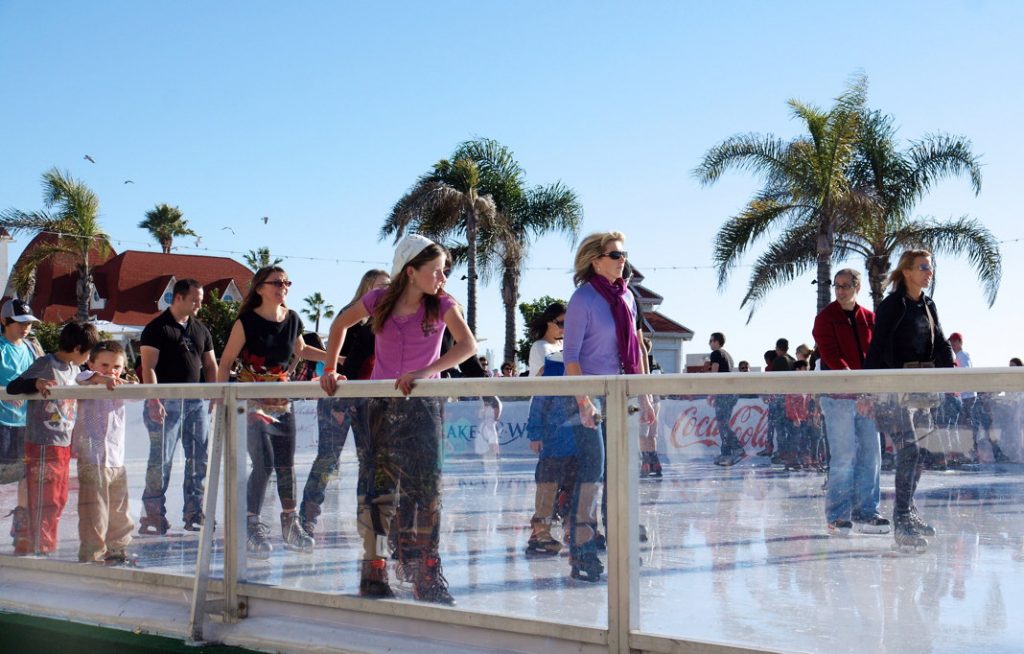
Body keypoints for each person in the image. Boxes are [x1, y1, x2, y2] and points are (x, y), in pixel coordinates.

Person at [321, 234, 475, 604]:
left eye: (444, 271)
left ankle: (425, 570)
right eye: (436, 271)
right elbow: (340, 324)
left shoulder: (443, 305)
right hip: (380, 407)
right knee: (377, 489)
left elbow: (466, 346)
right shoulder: (378, 301)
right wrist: (330, 369)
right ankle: (374, 567)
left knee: (427, 489)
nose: (442, 278)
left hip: (423, 408)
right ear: (411, 271)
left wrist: (427, 370)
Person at [217, 266, 333, 559]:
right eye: (277, 282)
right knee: (264, 463)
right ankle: (250, 523)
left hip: (281, 400)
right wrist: (222, 397)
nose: (283, 287)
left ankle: (290, 522)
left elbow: (303, 350)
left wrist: (337, 359)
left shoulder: (292, 318)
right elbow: (226, 361)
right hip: (250, 398)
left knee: (285, 464)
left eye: (287, 282)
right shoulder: (246, 322)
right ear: (260, 288)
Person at [562, 231, 654, 582]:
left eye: (623, 254)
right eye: (615, 255)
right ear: (595, 261)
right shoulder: (583, 299)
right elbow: (571, 357)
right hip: (592, 395)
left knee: (621, 476)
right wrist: (584, 400)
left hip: (624, 394)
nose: (622, 260)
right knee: (593, 474)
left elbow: (638, 351)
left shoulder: (628, 297)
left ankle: (621, 548)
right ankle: (582, 550)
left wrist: (645, 395)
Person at [865, 249, 954, 550]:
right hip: (894, 389)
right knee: (909, 451)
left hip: (923, 388)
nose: (929, 272)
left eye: (930, 267)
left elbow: (940, 341)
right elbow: (876, 348)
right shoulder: (891, 305)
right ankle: (901, 517)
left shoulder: (928, 304)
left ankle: (910, 509)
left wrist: (951, 370)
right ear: (906, 272)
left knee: (921, 454)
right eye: (923, 267)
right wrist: (872, 388)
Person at [299, 269, 390, 538]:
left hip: (369, 400)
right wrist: (338, 396)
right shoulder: (350, 315)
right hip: (338, 396)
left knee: (370, 459)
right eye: (381, 286)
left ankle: (369, 517)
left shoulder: (386, 320)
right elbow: (344, 359)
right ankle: (308, 517)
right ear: (367, 286)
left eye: (389, 286)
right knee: (328, 459)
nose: (385, 291)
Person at [6, 321, 99, 555]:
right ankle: (40, 546)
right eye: (87, 353)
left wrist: (103, 379)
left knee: (58, 497)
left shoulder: (73, 369)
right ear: (78, 349)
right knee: (44, 498)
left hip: (63, 443)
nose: (87, 358)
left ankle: (44, 544)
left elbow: (85, 378)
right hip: (42, 443)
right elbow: (14, 386)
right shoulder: (46, 363)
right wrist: (36, 383)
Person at [812, 269, 889, 535]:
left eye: (846, 286)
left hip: (867, 398)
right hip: (838, 398)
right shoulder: (825, 319)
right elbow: (832, 357)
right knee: (844, 457)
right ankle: (837, 516)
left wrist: (870, 392)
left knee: (871, 455)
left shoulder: (870, 318)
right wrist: (856, 387)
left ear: (857, 287)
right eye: (837, 286)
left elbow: (877, 355)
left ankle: (867, 512)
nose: (840, 290)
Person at [138, 278, 218, 534]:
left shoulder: (201, 329)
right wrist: (154, 398)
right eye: (195, 300)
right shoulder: (157, 328)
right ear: (179, 298)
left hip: (196, 401)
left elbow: (210, 365)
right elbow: (148, 367)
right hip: (166, 401)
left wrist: (215, 393)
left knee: (199, 458)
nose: (199, 305)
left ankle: (194, 512)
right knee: (160, 460)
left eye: (201, 300)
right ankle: (152, 514)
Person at [73, 340, 134, 563]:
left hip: (116, 458)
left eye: (116, 367)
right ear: (91, 363)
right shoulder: (85, 380)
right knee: (94, 511)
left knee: (119, 507)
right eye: (105, 365)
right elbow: (81, 378)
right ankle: (92, 552)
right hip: (92, 457)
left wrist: (123, 381)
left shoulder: (121, 386)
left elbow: (137, 394)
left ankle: (117, 548)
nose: (111, 371)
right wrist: (101, 378)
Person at [0, 299, 43, 552]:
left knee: (26, 477)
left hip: (27, 424)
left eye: (28, 323)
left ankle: (22, 527)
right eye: (20, 323)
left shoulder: (31, 347)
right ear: (5, 322)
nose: (25, 328)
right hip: (2, 422)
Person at [525, 354, 577, 555]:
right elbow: (538, 404)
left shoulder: (587, 361)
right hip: (553, 443)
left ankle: (571, 528)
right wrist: (535, 434)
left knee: (574, 488)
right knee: (547, 489)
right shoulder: (554, 366)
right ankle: (540, 533)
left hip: (578, 442)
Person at [707, 332, 744, 466]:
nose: (709, 343)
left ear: (716, 341)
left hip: (723, 393)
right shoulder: (728, 355)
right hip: (730, 393)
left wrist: (712, 393)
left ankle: (737, 448)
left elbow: (714, 375)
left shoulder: (716, 353)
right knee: (723, 423)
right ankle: (726, 453)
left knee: (722, 424)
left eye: (710, 340)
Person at [527, 302, 566, 377]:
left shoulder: (564, 344)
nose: (564, 329)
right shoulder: (539, 347)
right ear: (548, 321)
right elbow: (551, 373)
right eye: (561, 323)